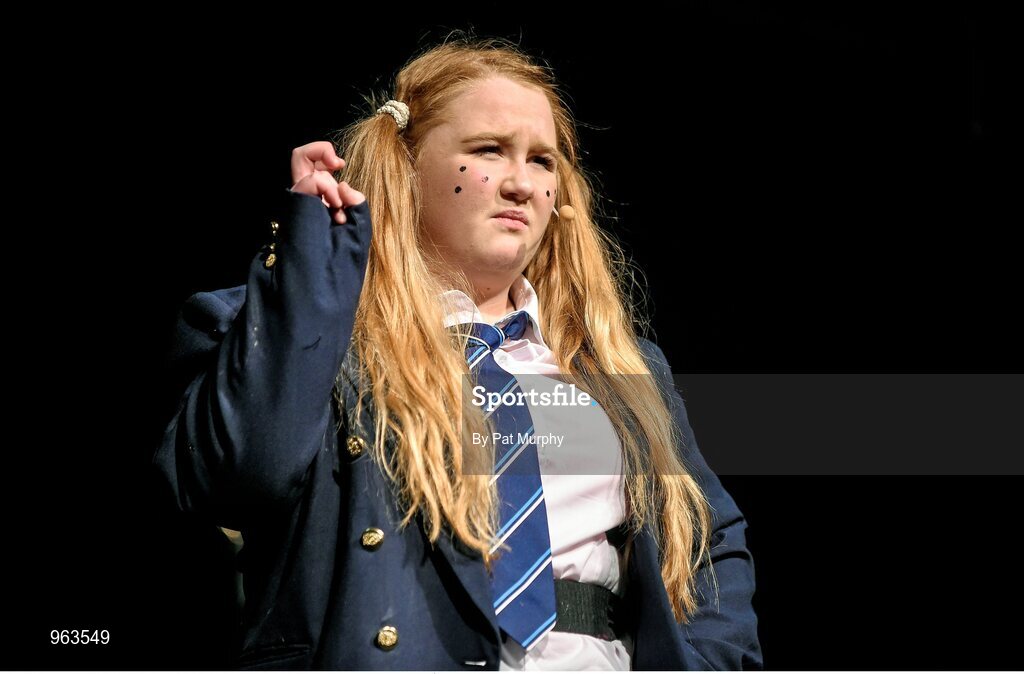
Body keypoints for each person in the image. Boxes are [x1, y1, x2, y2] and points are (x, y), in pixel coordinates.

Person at [153, 35, 762, 670]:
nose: (522, 184)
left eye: (543, 161)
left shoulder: (617, 367)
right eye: (490, 152)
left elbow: (710, 543)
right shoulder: (324, 340)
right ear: (406, 167)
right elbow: (241, 474)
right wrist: (310, 266)